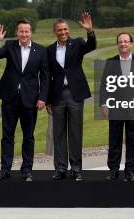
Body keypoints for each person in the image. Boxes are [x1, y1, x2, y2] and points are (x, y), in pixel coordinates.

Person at [0, 19, 49, 181]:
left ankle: (27, 170)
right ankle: (5, 169)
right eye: (21, 31)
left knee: (28, 136)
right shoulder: (10, 45)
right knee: (7, 135)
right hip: (9, 98)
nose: (24, 34)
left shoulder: (41, 51)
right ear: (17, 32)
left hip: (30, 99)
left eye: (26, 31)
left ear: (30, 33)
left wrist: (43, 98)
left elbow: (45, 77)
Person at [46, 13, 96, 182]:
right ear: (55, 32)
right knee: (58, 133)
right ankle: (60, 168)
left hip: (75, 93)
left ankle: (76, 169)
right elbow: (46, 76)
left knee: (75, 132)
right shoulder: (49, 50)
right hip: (57, 95)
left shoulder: (78, 43)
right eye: (60, 30)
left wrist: (90, 31)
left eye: (65, 29)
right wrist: (47, 100)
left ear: (69, 30)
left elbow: (92, 45)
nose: (63, 32)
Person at [100, 32, 134, 181]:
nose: (123, 44)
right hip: (116, 107)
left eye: (126, 41)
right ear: (118, 44)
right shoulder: (111, 61)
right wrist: (104, 103)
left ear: (131, 44)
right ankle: (113, 169)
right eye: (121, 42)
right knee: (114, 139)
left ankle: (130, 170)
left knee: (133, 139)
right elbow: (105, 85)